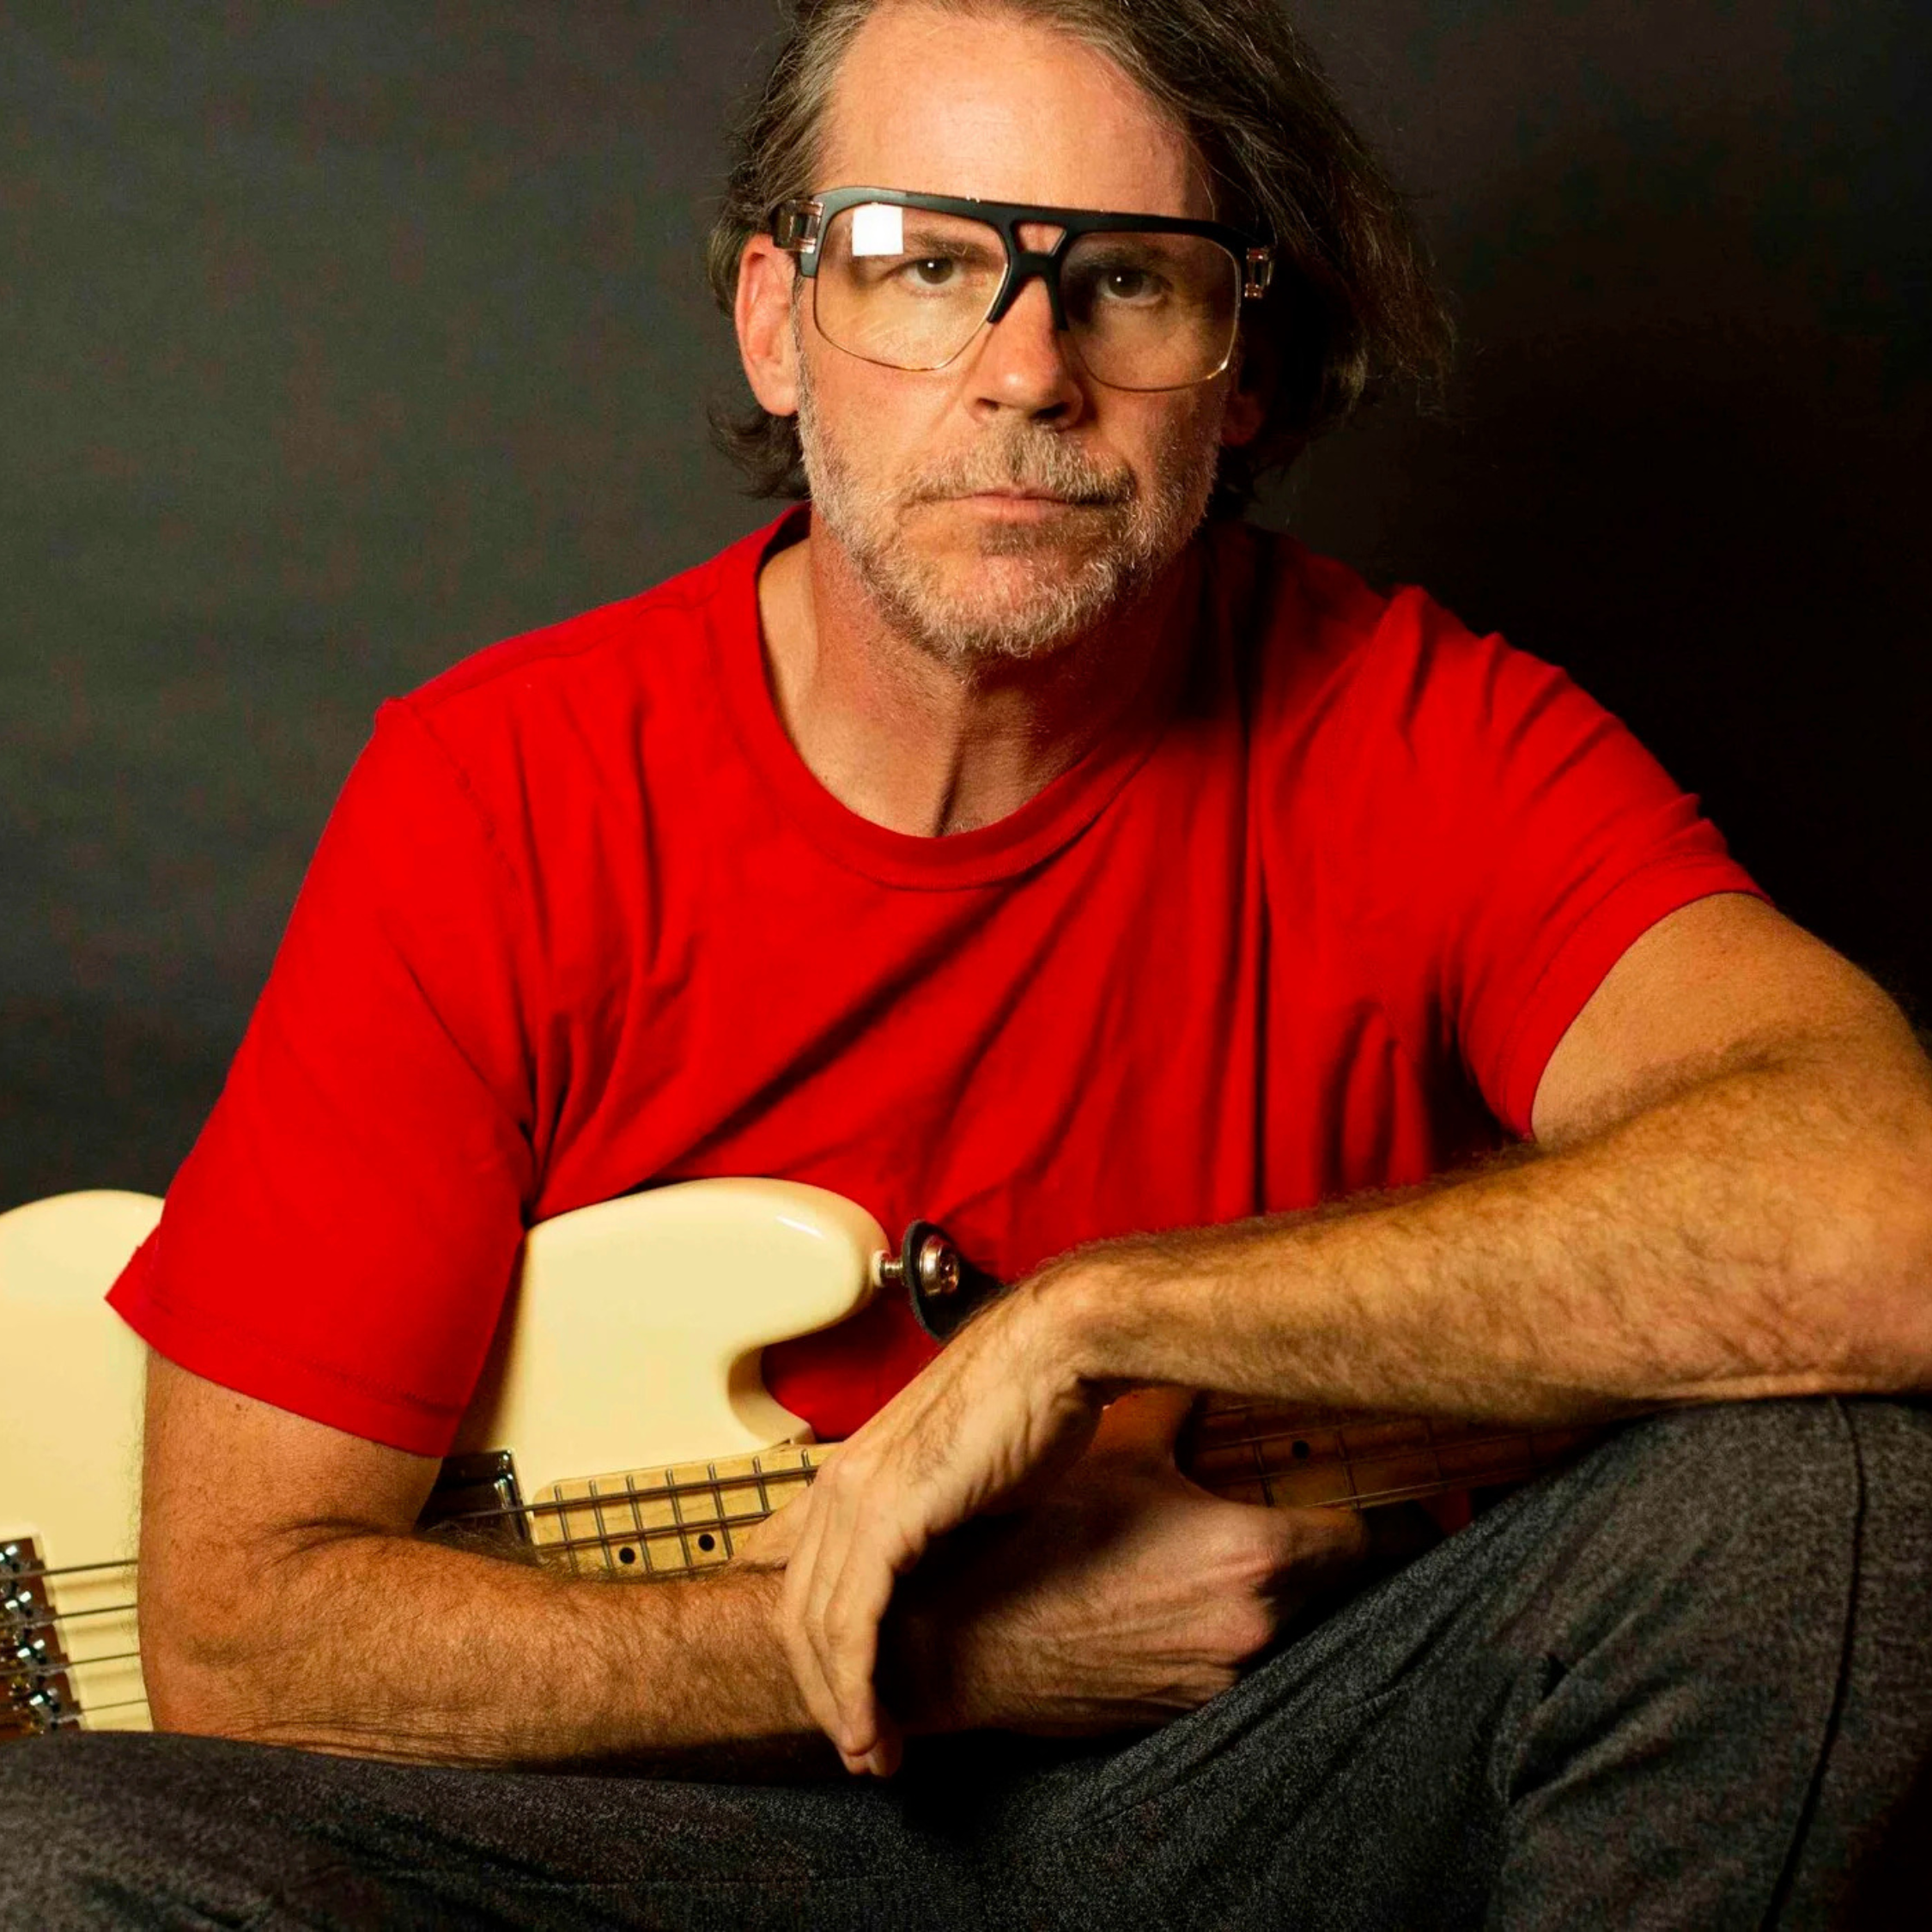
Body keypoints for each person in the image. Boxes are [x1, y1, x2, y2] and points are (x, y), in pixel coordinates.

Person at [5, 0, 1929, 1924]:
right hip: (675, 1847)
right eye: (922, 264)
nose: (1027, 370)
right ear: (777, 324)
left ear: (1240, 369)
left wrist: (1100, 1320)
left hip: (1266, 1800)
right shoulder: (501, 795)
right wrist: (943, 1657)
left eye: (1128, 282)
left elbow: (1891, 1215)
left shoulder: (1432, 739)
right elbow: (244, 1630)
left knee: (1819, 1510)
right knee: (50, 1854)